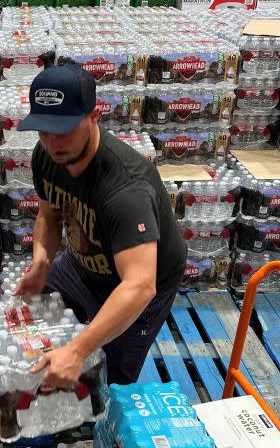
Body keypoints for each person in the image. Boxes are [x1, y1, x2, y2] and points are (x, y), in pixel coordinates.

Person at [14, 64, 186, 387]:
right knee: (44, 301)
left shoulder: (126, 190)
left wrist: (78, 350)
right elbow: (48, 216)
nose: (52, 144)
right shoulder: (48, 157)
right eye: (43, 131)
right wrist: (41, 261)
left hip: (138, 280)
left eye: (62, 130)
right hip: (84, 262)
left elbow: (140, 285)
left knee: (115, 374)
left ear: (94, 116)